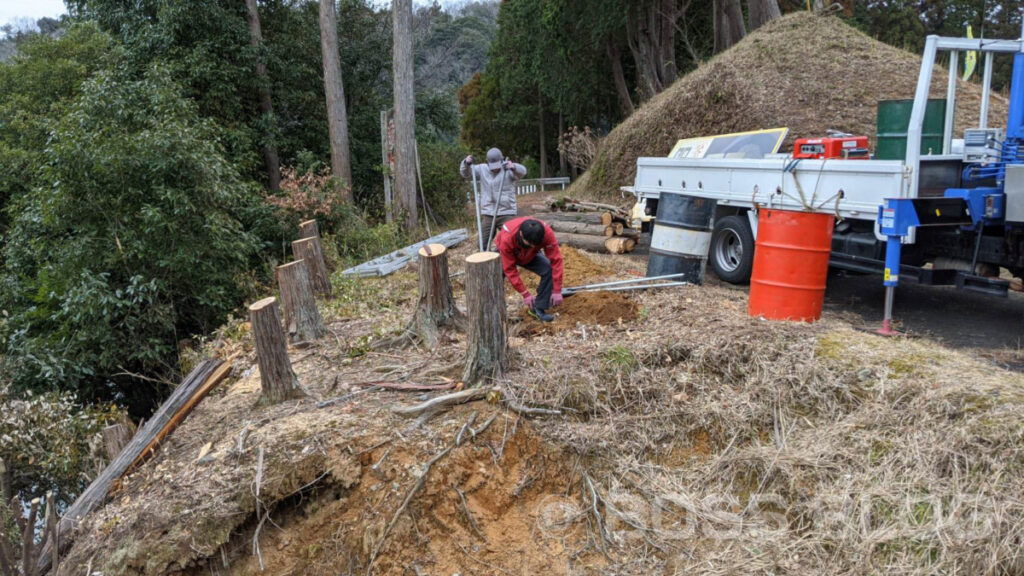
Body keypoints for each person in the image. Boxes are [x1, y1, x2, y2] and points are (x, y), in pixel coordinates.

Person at [495, 217, 564, 322]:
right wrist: (525, 293)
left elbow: (556, 260)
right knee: (495, 278)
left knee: (548, 269)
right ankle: (494, 311)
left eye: (534, 245)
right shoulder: (507, 239)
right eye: (529, 244)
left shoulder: (547, 234)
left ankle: (538, 308)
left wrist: (557, 290)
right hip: (508, 252)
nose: (532, 246)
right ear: (521, 234)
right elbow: (510, 269)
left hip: (530, 255)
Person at [460, 148, 527, 247]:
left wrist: (513, 167)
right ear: (487, 162)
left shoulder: (508, 170)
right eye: (492, 166)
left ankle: (511, 256)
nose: (494, 169)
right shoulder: (482, 169)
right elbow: (466, 173)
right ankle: (486, 259)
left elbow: (523, 172)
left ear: (502, 160)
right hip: (489, 212)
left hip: (506, 211)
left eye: (497, 165)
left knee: (513, 239)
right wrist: (466, 163)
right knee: (481, 244)